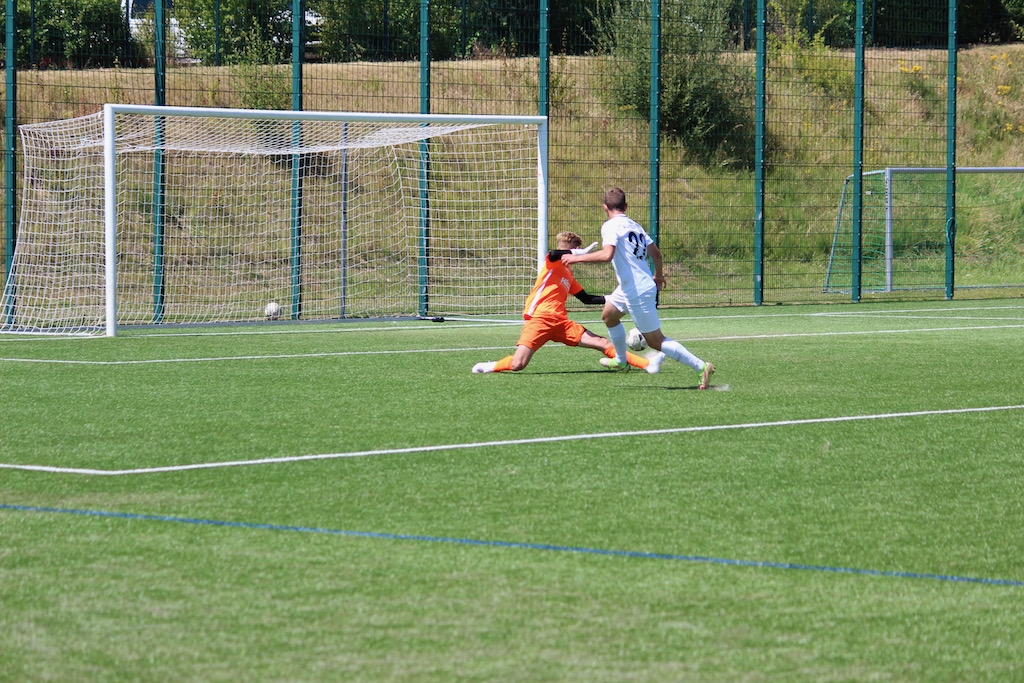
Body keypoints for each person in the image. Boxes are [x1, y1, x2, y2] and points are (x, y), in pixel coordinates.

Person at [561, 187, 715, 390]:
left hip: (637, 289)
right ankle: (621, 361)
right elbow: (656, 254)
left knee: (655, 341)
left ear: (605, 207)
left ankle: (700, 366)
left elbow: (607, 255)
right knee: (609, 315)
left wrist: (576, 258)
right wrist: (658, 275)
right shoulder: (635, 226)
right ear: (625, 206)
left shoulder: (610, 226)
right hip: (631, 286)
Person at [472, 230, 665, 374]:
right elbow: (554, 254)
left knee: (602, 342)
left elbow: (586, 299)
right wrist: (577, 253)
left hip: (561, 323)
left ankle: (647, 364)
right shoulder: (552, 262)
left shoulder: (568, 275)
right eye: (571, 249)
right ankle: (489, 366)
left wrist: (614, 298)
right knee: (518, 364)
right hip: (540, 319)